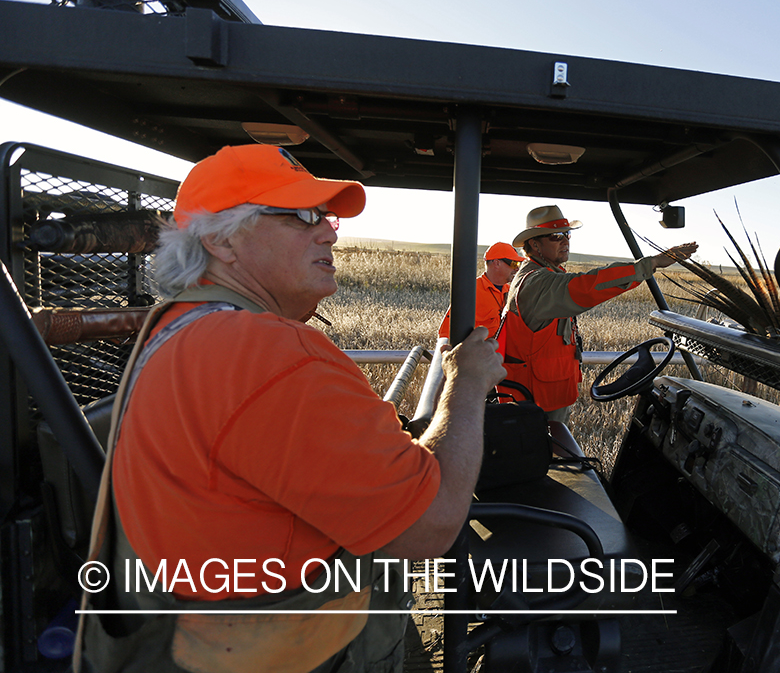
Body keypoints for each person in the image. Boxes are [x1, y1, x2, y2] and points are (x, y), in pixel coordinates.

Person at [79, 145, 505, 673]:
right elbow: (430, 527)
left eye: (326, 217)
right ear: (222, 240)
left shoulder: (179, 331)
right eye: (302, 216)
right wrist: (466, 384)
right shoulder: (267, 354)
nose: (329, 232)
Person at [498, 204, 696, 426]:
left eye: (567, 234)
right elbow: (585, 287)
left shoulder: (539, 275)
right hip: (536, 400)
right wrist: (651, 264)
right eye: (556, 236)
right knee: (544, 455)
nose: (565, 241)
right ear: (534, 244)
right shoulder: (537, 282)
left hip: (542, 393)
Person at [437, 242, 524, 340]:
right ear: (497, 263)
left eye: (519, 264)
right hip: (477, 353)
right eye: (514, 263)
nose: (517, 268)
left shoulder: (511, 291)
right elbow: (445, 333)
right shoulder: (471, 291)